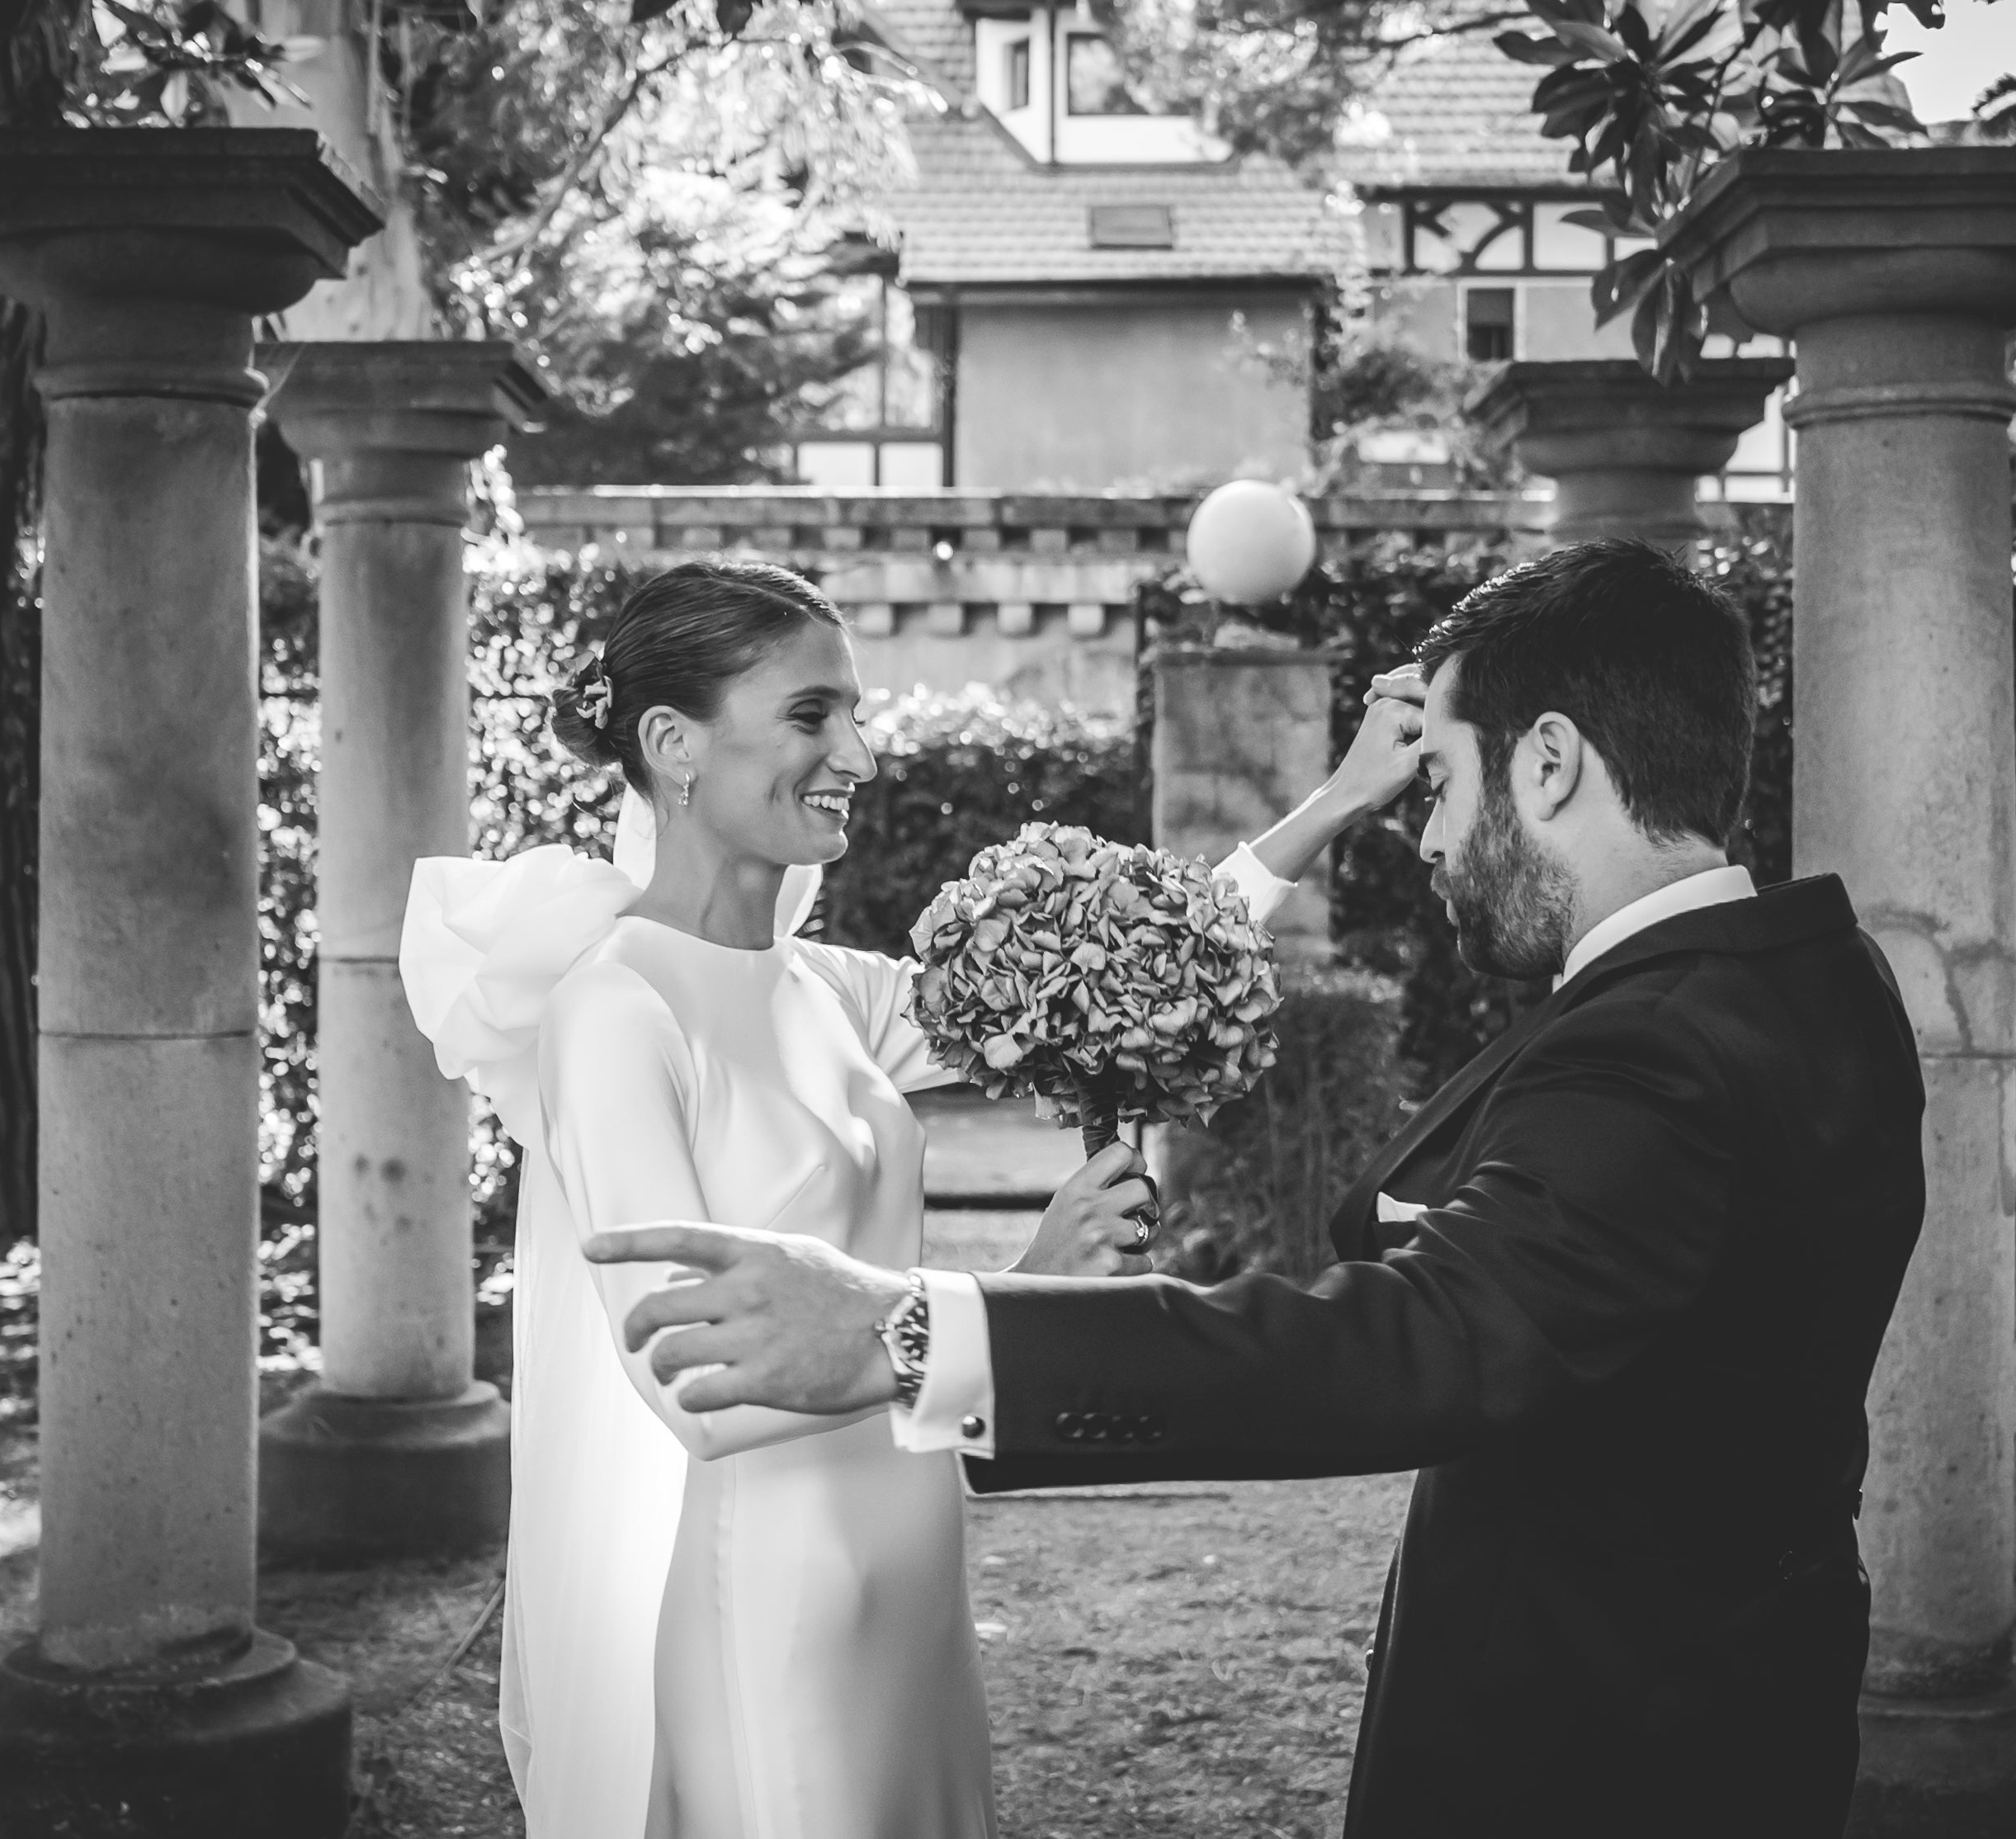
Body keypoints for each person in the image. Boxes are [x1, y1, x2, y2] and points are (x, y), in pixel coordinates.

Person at [583, 539, 1932, 1838]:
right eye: (813, 712)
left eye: (1440, 785)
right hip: (1726, 1678)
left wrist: (925, 1324)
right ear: (670, 743)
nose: (1429, 839)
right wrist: (1342, 799)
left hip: (1609, 1728)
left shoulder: (1650, 1041)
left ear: (1554, 760)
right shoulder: (1816, 979)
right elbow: (1094, 977)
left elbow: (1435, 1333)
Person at [397, 556, 1414, 1838]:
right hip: (770, 1599)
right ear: (673, 745)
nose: (863, 758)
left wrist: (1341, 798)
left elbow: (1133, 966)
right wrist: (1011, 1298)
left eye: (855, 713)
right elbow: (690, 1381)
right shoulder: (616, 1015)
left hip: (911, 1566)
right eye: (814, 715)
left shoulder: (825, 990)